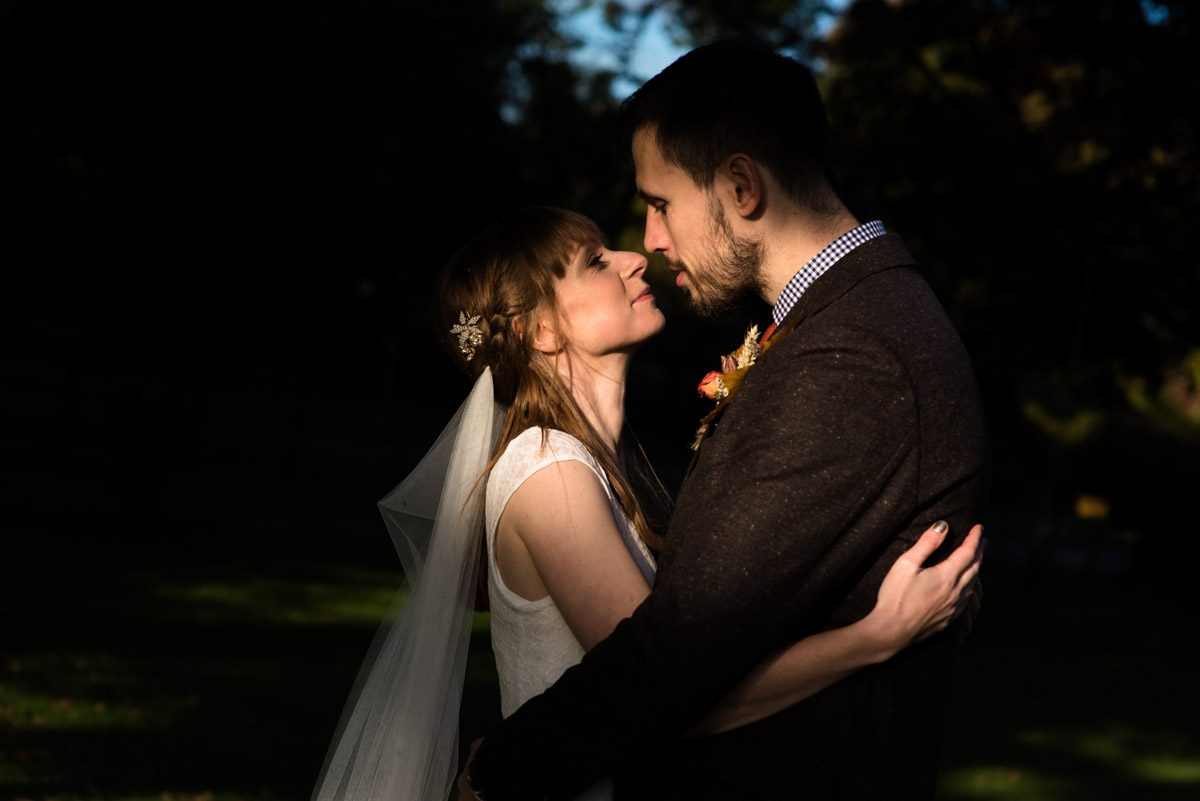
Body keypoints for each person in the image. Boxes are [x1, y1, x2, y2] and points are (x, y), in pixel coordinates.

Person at [462, 38, 990, 801]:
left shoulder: (853, 353)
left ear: (742, 186)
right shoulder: (841, 326)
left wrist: (495, 771)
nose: (648, 240)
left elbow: (678, 654)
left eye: (661, 203)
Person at [310, 205, 983, 801]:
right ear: (540, 331)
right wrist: (874, 637)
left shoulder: (602, 467)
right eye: (596, 261)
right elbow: (667, 695)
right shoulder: (548, 470)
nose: (636, 258)